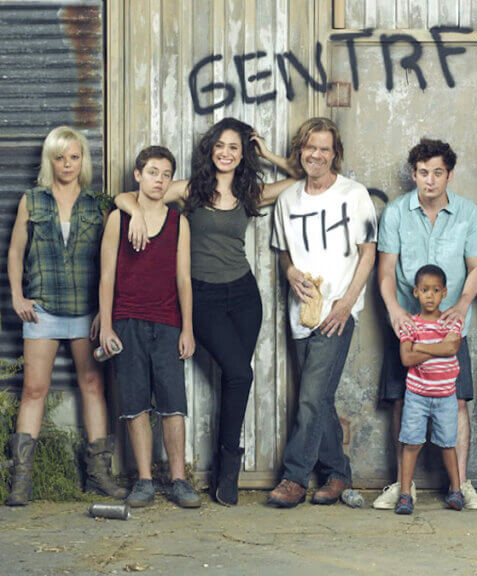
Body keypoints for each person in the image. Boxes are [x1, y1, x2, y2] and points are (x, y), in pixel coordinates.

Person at [115, 117, 296, 506]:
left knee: (236, 379)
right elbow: (127, 197)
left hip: (245, 297)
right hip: (203, 297)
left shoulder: (252, 192)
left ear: (242, 153)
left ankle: (224, 473)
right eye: (220, 146)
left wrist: (267, 154)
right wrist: (140, 215)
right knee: (239, 372)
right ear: (210, 150)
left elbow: (303, 177)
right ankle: (228, 467)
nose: (227, 153)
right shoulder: (190, 190)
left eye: (235, 147)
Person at [5, 126, 125, 506]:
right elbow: (15, 252)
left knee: (92, 386)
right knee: (34, 390)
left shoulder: (97, 204)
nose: (67, 164)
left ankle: (98, 474)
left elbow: (109, 263)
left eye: (74, 157)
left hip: (85, 311)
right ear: (50, 161)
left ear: (82, 161)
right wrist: (17, 296)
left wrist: (103, 314)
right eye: (60, 157)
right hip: (42, 310)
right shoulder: (33, 200)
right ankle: (21, 480)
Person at [266, 117, 376, 508]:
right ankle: (338, 474)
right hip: (301, 314)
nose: (316, 154)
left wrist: (347, 303)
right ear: (301, 150)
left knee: (311, 397)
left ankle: (294, 478)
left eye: (324, 148)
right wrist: (291, 271)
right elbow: (283, 254)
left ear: (335, 154)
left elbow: (368, 253)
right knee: (320, 398)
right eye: (310, 147)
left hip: (337, 314)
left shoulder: (354, 194)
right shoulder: (288, 200)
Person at [375, 139, 477, 510]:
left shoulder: (468, 213)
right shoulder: (395, 213)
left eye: (438, 172)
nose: (430, 180)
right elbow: (387, 271)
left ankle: (463, 483)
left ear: (449, 175)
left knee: (457, 403)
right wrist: (394, 311)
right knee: (400, 401)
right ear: (414, 174)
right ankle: (402, 485)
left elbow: (476, 268)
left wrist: (462, 305)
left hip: (450, 327)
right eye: (423, 172)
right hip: (408, 327)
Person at [98, 146, 199, 508]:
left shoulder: (178, 222)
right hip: (126, 322)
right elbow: (106, 275)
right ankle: (143, 480)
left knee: (173, 403)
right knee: (135, 402)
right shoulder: (118, 219)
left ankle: (179, 480)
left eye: (166, 174)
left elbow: (183, 279)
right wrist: (107, 324)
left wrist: (187, 328)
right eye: (152, 172)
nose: (159, 179)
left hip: (168, 322)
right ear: (138, 175)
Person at [394, 265, 467, 514]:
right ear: (415, 292)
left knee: (448, 444)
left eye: (435, 290)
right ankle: (405, 494)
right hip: (417, 396)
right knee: (411, 443)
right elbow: (405, 358)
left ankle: (456, 491)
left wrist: (420, 348)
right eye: (424, 290)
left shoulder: (451, 321)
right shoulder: (409, 324)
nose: (430, 295)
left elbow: (450, 350)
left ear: (444, 293)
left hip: (446, 396)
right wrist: (435, 346)